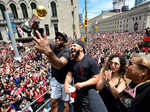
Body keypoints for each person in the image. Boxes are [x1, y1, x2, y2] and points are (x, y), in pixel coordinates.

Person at [33, 31, 70, 112]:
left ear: (64, 41)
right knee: (53, 102)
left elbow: (59, 64)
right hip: (55, 79)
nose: (57, 40)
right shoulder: (53, 47)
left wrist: (48, 52)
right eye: (56, 38)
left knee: (65, 103)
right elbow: (41, 42)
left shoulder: (67, 51)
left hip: (65, 81)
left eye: (60, 39)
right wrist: (34, 29)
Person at [64, 41, 100, 112]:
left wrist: (82, 84)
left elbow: (96, 78)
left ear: (81, 48)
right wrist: (66, 84)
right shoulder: (72, 62)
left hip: (88, 95)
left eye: (74, 46)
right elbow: (69, 75)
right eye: (71, 46)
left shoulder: (90, 61)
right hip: (77, 95)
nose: (72, 48)